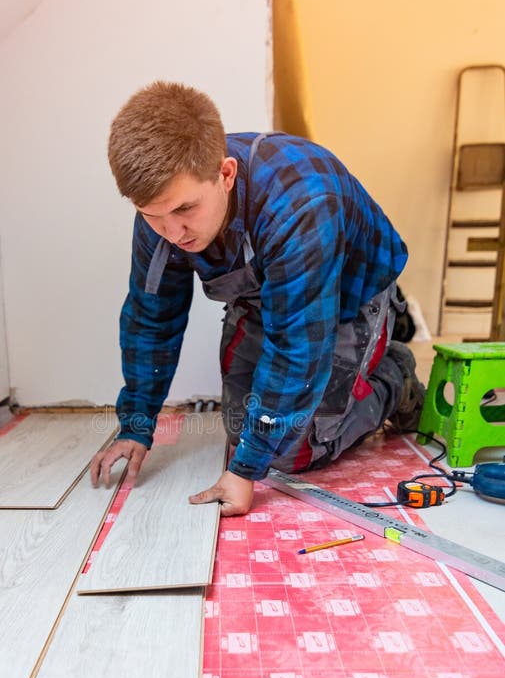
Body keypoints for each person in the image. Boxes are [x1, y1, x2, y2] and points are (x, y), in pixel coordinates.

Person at [90, 81, 424, 516]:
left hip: (346, 299)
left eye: (185, 210)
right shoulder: (162, 211)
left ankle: (395, 377)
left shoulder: (300, 201)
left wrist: (246, 471)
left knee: (288, 452)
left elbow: (298, 347)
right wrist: (135, 425)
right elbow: (151, 319)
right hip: (265, 295)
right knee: (242, 428)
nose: (172, 233)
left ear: (226, 174)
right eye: (152, 216)